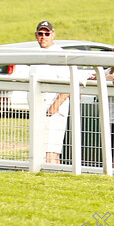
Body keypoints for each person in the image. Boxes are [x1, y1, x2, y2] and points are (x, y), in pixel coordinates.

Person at [30, 20, 72, 164]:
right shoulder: (36, 54)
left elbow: (68, 84)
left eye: (46, 33)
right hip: (38, 109)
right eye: (40, 34)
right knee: (39, 150)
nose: (43, 36)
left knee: (51, 151)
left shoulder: (59, 54)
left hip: (54, 110)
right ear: (36, 35)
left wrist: (56, 105)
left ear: (52, 35)